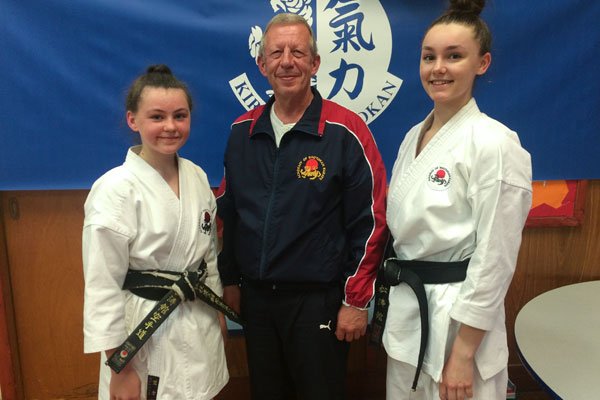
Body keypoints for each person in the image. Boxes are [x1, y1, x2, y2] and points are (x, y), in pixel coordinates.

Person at [216, 13, 387, 400]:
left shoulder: (345, 131)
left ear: (315, 63)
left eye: (298, 52)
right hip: (257, 302)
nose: (287, 61)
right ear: (262, 65)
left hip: (319, 302)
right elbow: (229, 212)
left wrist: (355, 301)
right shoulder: (242, 131)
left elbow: (372, 222)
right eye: (276, 52)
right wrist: (229, 280)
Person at [380, 1, 533, 399]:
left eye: (454, 56)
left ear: (482, 64)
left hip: (460, 322)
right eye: (429, 57)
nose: (438, 68)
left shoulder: (495, 143)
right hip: (409, 314)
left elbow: (495, 257)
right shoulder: (413, 136)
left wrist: (464, 352)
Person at [82, 64, 228, 400]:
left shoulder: (197, 177)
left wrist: (217, 312)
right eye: (157, 117)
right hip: (143, 333)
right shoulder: (114, 189)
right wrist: (118, 365)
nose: (170, 127)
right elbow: (102, 285)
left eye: (180, 116)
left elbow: (208, 256)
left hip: (198, 317)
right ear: (133, 120)